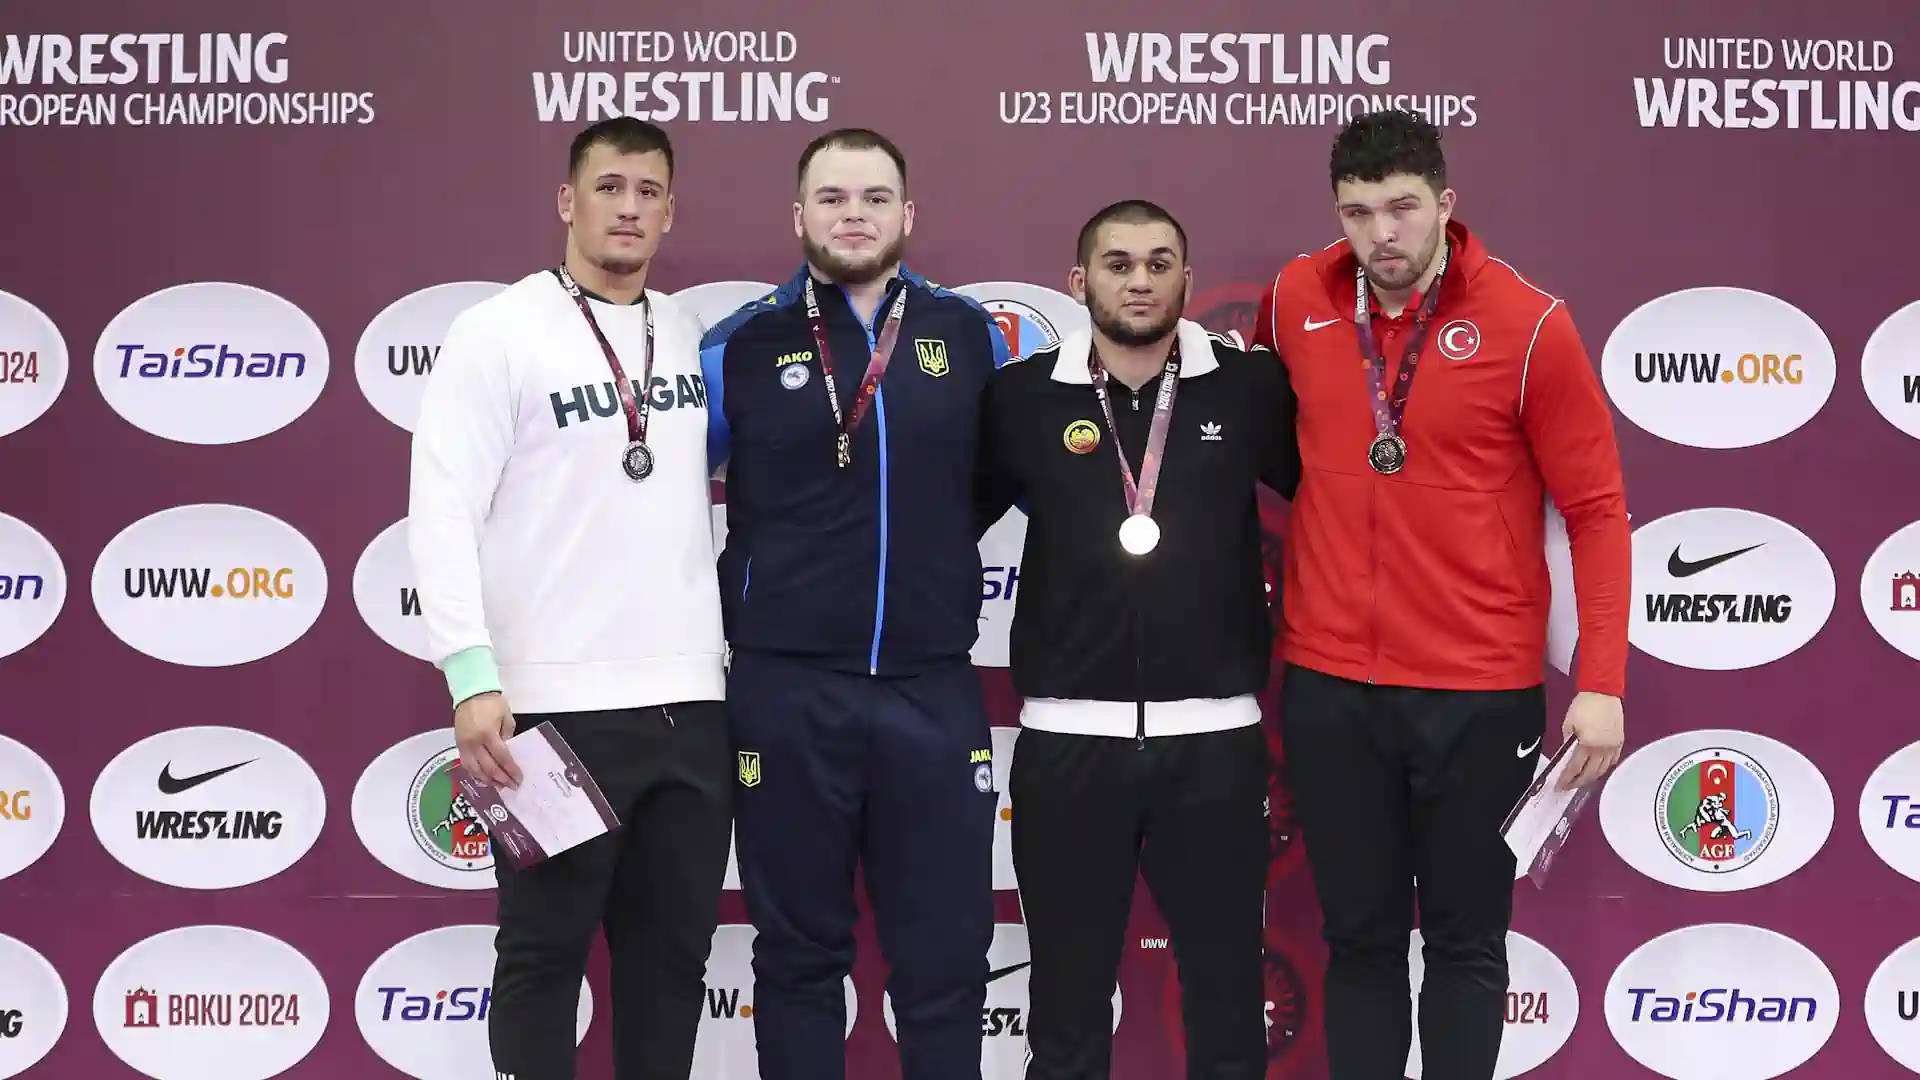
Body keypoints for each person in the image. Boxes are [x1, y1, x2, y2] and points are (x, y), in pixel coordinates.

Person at [1252, 108, 1630, 1080]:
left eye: (1403, 208)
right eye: (1358, 211)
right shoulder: (1296, 297)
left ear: (1447, 206)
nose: (1381, 235)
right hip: (1334, 686)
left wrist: (1602, 681)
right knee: (1361, 943)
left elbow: (1596, 512)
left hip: (1476, 691)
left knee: (1465, 945)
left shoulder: (1530, 323)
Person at [407, 116, 733, 1080]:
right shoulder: (497, 332)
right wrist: (470, 676)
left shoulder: (685, 335)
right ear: (568, 200)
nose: (628, 208)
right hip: (549, 712)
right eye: (609, 187)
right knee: (543, 953)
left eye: (648, 192)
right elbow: (441, 508)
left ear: (671, 211)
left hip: (689, 707)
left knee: (671, 961)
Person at [697, 128, 1013, 1080]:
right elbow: (648, 496)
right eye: (832, 198)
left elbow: (1024, 475)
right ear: (799, 218)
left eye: (875, 197)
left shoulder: (972, 335)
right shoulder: (739, 346)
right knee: (797, 958)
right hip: (786, 692)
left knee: (948, 962)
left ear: (908, 216)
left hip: (930, 688)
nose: (854, 215)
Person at [976, 199, 1298, 1080]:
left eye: (1160, 263)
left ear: (1187, 281)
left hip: (1217, 743)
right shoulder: (1020, 398)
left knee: (1228, 1002)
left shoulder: (1250, 389)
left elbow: (1348, 504)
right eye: (1119, 263)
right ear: (1080, 282)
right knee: (1068, 1008)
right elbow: (936, 528)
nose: (1141, 279)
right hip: (1067, 744)